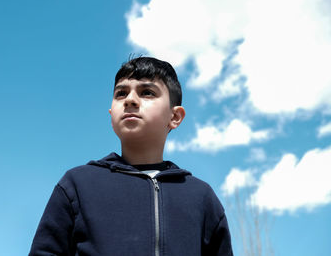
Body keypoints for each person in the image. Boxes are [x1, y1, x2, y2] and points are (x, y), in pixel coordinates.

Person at [29, 57, 233, 256]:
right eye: (121, 93)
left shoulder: (201, 197)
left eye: (147, 92)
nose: (130, 100)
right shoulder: (77, 185)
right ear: (111, 115)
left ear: (175, 117)